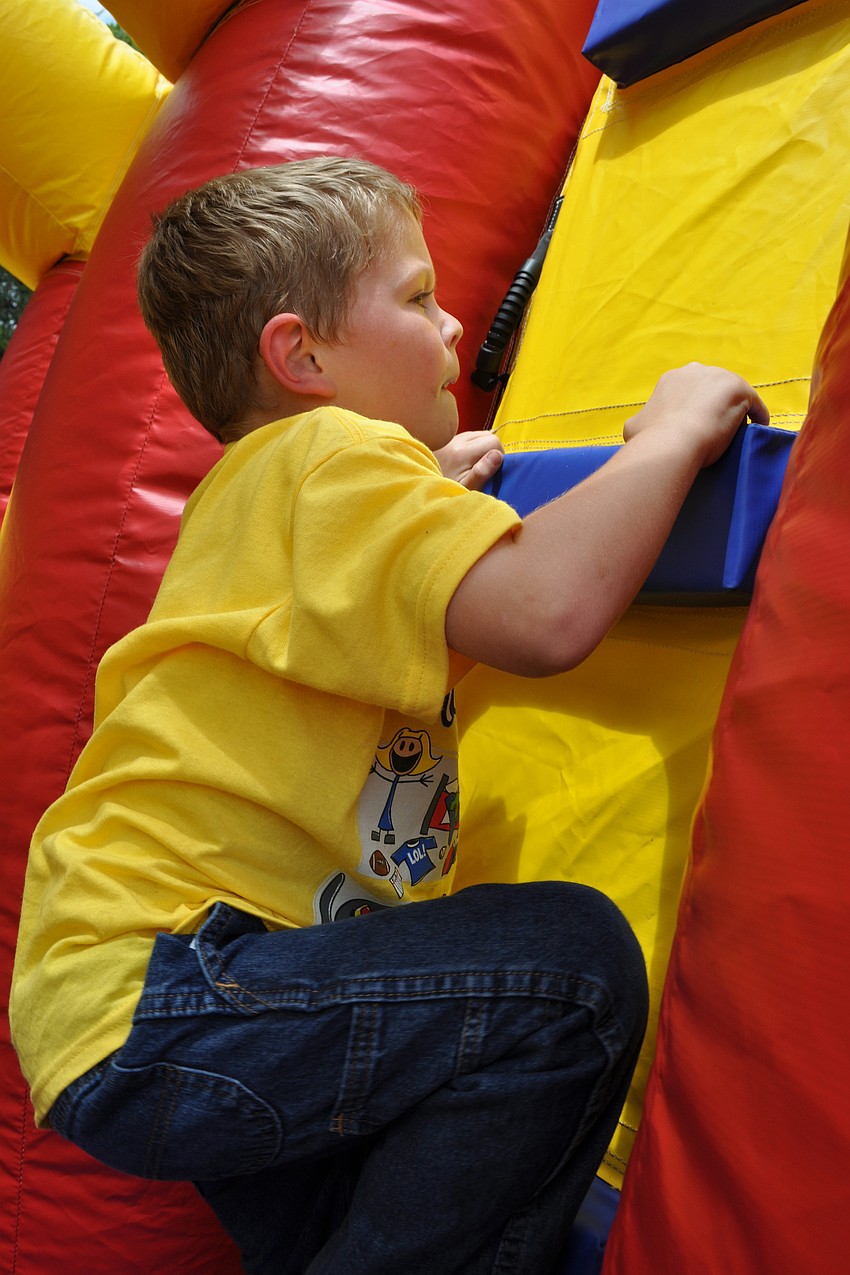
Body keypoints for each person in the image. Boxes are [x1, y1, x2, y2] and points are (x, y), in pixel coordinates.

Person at [10, 156, 768, 1275]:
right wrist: (669, 437)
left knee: (352, 1231)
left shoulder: (273, 494)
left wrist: (434, 497)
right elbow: (547, 612)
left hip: (146, 1004)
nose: (456, 325)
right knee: (568, 970)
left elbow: (375, 607)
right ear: (300, 355)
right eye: (416, 298)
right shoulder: (327, 454)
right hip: (179, 983)